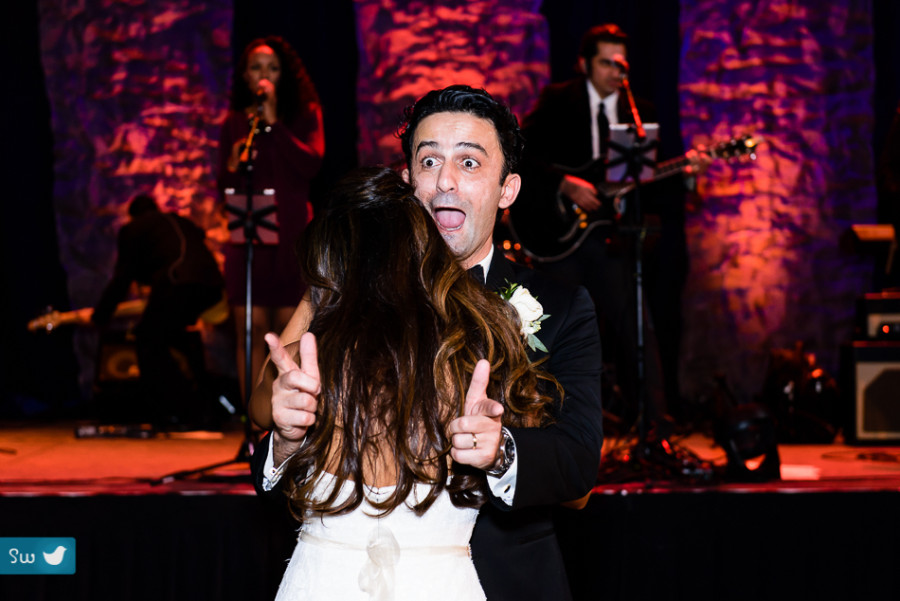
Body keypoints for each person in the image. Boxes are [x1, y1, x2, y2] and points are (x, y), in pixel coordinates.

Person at [251, 85, 604, 601]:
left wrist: (500, 453)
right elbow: (267, 404)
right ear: (406, 179)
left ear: (507, 190)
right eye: (430, 160)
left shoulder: (562, 306)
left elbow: (577, 468)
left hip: (497, 579)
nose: (445, 182)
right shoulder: (351, 281)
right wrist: (287, 410)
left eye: (469, 163)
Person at [516, 23, 707, 437]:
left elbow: (643, 180)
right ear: (584, 64)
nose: (615, 72)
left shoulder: (639, 112)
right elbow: (519, 155)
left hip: (608, 239)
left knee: (637, 324)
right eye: (605, 62)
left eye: (621, 64)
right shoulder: (557, 100)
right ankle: (544, 425)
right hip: (559, 238)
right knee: (550, 330)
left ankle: (657, 425)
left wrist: (686, 175)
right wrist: (565, 184)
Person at [217, 35, 325, 402]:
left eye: (272, 68)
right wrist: (232, 166)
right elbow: (226, 185)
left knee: (285, 331)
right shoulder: (235, 123)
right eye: (256, 68)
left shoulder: (305, 114)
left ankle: (280, 421)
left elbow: (310, 166)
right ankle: (251, 418)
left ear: (284, 77)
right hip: (252, 238)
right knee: (250, 330)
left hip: (292, 236)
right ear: (246, 77)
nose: (264, 75)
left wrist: (275, 123)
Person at [92, 194, 225, 428]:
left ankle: (182, 411)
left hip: (180, 283)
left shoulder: (134, 228)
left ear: (133, 215)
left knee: (147, 340)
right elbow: (193, 243)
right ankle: (209, 408)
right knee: (176, 337)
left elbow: (122, 277)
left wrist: (101, 315)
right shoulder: (178, 222)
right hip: (211, 285)